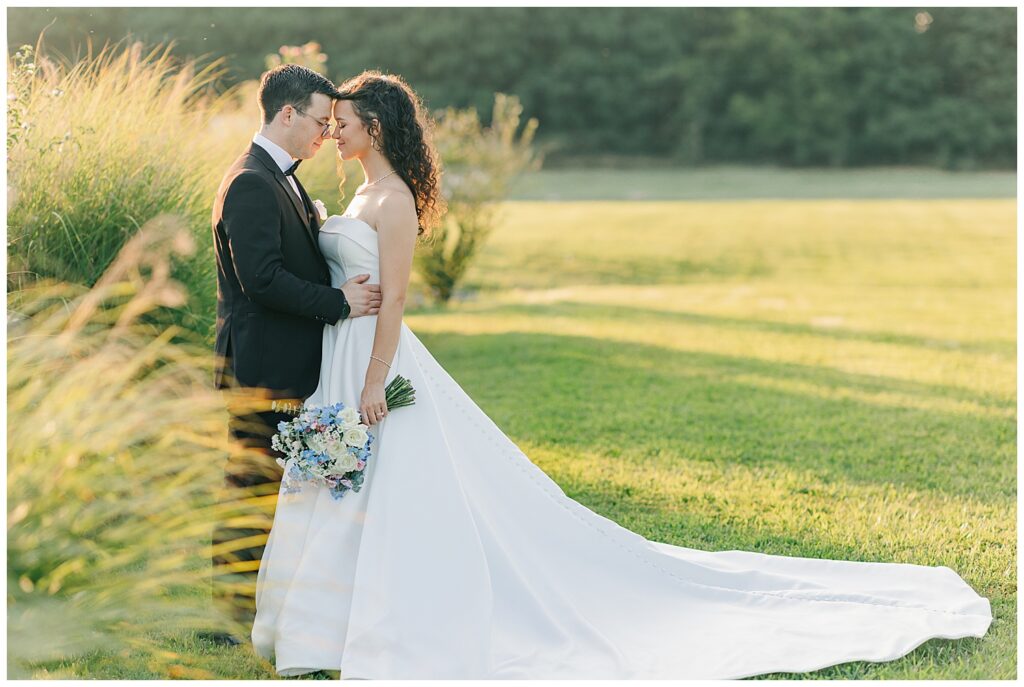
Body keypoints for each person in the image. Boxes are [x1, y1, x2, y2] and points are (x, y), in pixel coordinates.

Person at [250, 71, 992, 678]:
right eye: (328, 123)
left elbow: (397, 301)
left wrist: (375, 379)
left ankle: (394, 622)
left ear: (375, 127)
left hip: (374, 363)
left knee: (393, 490)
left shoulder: (393, 202)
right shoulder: (357, 195)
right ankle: (332, 626)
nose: (332, 132)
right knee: (350, 486)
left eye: (343, 123)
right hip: (341, 356)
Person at [210, 64, 383, 641]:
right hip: (261, 365)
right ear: (287, 113)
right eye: (319, 120)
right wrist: (338, 302)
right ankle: (230, 616)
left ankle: (260, 602)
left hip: (283, 360)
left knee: (271, 482)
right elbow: (261, 279)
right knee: (251, 482)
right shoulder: (250, 181)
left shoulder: (280, 176)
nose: (326, 133)